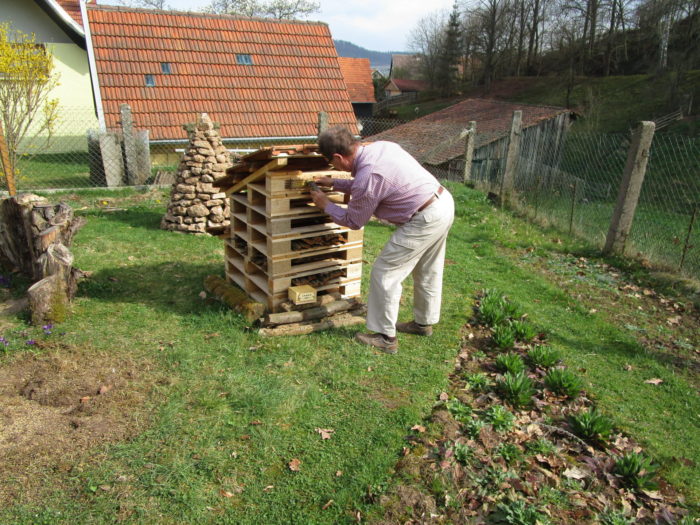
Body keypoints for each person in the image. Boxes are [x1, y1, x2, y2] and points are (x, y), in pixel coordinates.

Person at [310, 126, 455, 354]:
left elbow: (355, 220)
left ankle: (385, 338)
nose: (334, 167)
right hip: (442, 202)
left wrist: (325, 205)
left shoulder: (368, 176)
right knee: (428, 269)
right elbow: (370, 184)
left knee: (385, 272)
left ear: (338, 157)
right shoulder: (381, 147)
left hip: (424, 218)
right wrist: (334, 183)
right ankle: (423, 323)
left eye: (332, 163)